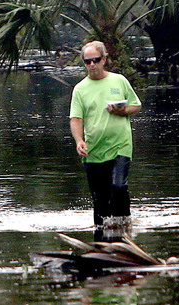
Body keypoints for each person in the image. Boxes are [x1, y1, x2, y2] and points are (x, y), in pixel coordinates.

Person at [69, 40, 142, 239]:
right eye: (87, 61)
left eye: (96, 60)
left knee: (118, 186)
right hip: (94, 150)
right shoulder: (80, 89)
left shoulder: (119, 81)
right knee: (99, 201)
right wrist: (79, 141)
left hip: (120, 145)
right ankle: (100, 247)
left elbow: (136, 106)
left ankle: (124, 226)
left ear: (104, 60)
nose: (92, 65)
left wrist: (122, 110)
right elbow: (76, 118)